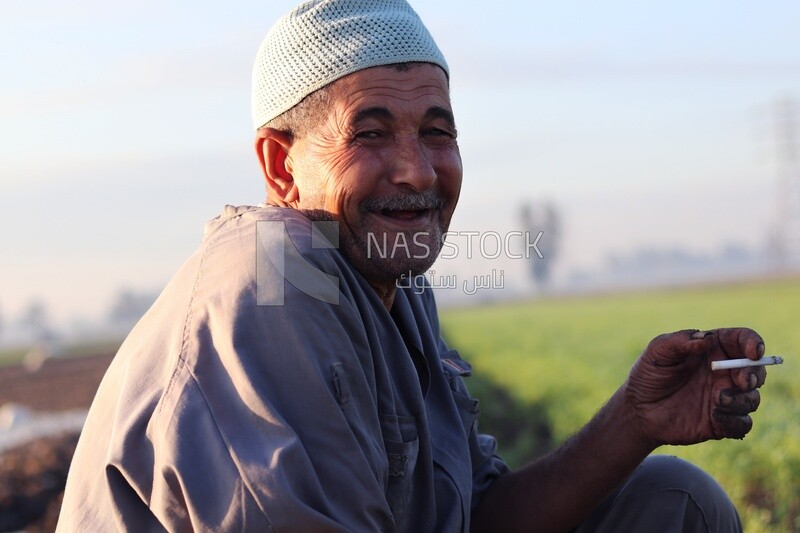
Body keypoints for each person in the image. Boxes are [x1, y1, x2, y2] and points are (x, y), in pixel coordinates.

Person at [58, 1, 768, 531]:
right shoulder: (270, 281)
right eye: (370, 133)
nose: (416, 170)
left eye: (437, 132)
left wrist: (634, 419)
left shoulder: (388, 285)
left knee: (673, 503)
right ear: (281, 165)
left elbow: (480, 517)